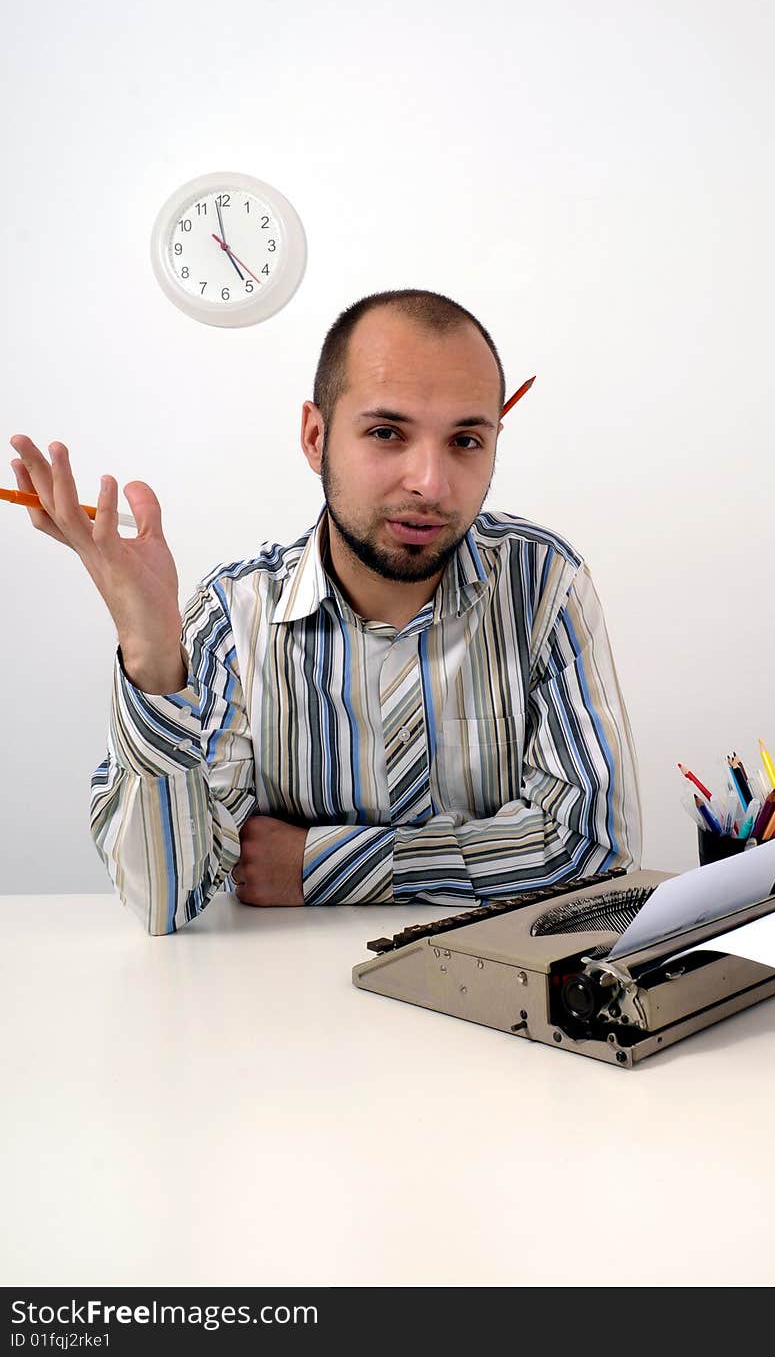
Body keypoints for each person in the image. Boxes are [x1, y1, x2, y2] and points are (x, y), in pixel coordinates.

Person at [10, 289, 642, 935]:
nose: (431, 481)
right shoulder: (234, 618)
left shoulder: (543, 586)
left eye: (466, 440)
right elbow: (166, 898)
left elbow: (594, 850)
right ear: (316, 437)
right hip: (290, 1019)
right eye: (387, 433)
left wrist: (316, 864)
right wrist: (150, 654)